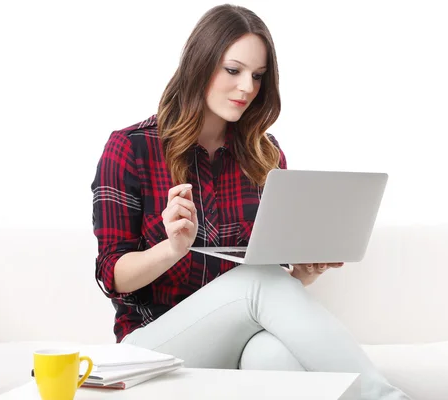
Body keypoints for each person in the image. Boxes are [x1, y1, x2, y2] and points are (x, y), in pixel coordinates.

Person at [91, 4, 411, 400]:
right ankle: (387, 397)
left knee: (274, 356)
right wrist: (172, 248)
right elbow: (111, 274)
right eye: (233, 70)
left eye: (258, 76)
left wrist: (303, 273)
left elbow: (268, 282)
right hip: (151, 351)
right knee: (256, 281)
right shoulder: (131, 148)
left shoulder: (265, 156)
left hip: (238, 339)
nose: (247, 88)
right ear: (200, 63)